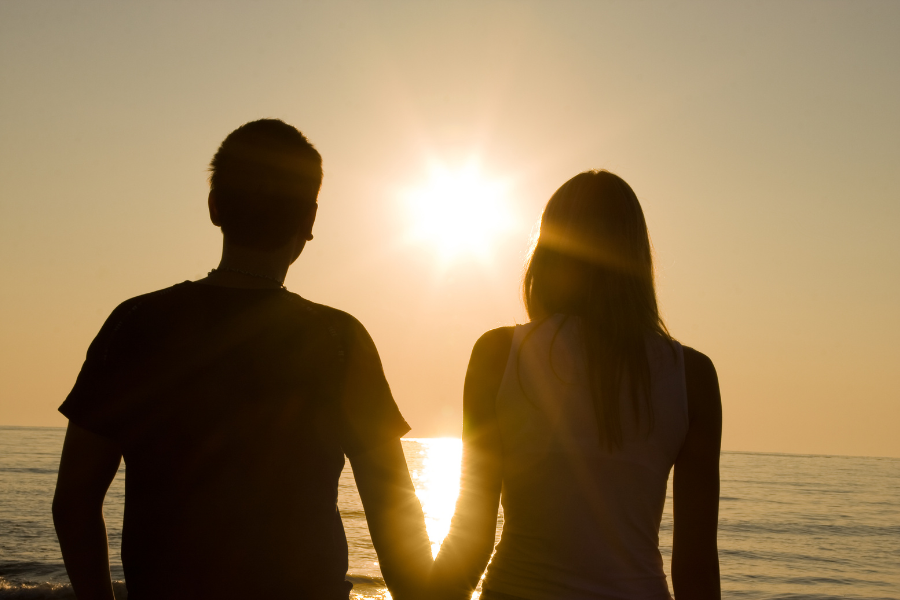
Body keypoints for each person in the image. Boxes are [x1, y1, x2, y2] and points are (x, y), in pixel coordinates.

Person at [52, 119, 432, 600]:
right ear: (310, 220)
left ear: (214, 207)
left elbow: (75, 502)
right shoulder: (338, 338)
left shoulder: (134, 324)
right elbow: (393, 513)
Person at [430, 170, 722, 600]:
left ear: (547, 254)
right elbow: (696, 568)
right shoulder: (691, 376)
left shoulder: (498, 355)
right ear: (637, 258)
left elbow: (471, 542)